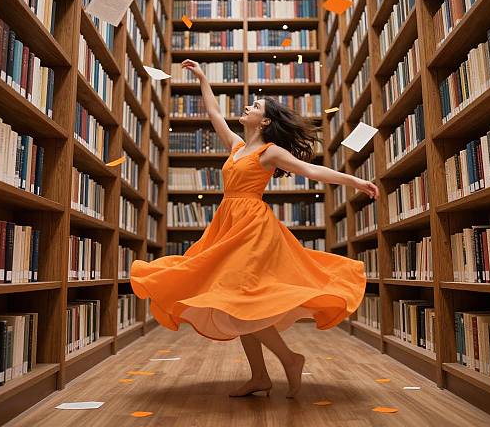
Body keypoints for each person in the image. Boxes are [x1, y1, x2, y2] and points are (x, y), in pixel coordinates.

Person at [130, 59, 379, 399]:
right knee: (238, 302)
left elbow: (311, 171)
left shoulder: (269, 151)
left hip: (252, 228)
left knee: (241, 299)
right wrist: (203, 78)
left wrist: (354, 180)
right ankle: (260, 375)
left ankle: (290, 359)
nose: (247, 106)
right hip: (228, 224)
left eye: (255, 106)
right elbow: (215, 114)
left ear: (264, 121)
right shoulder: (236, 147)